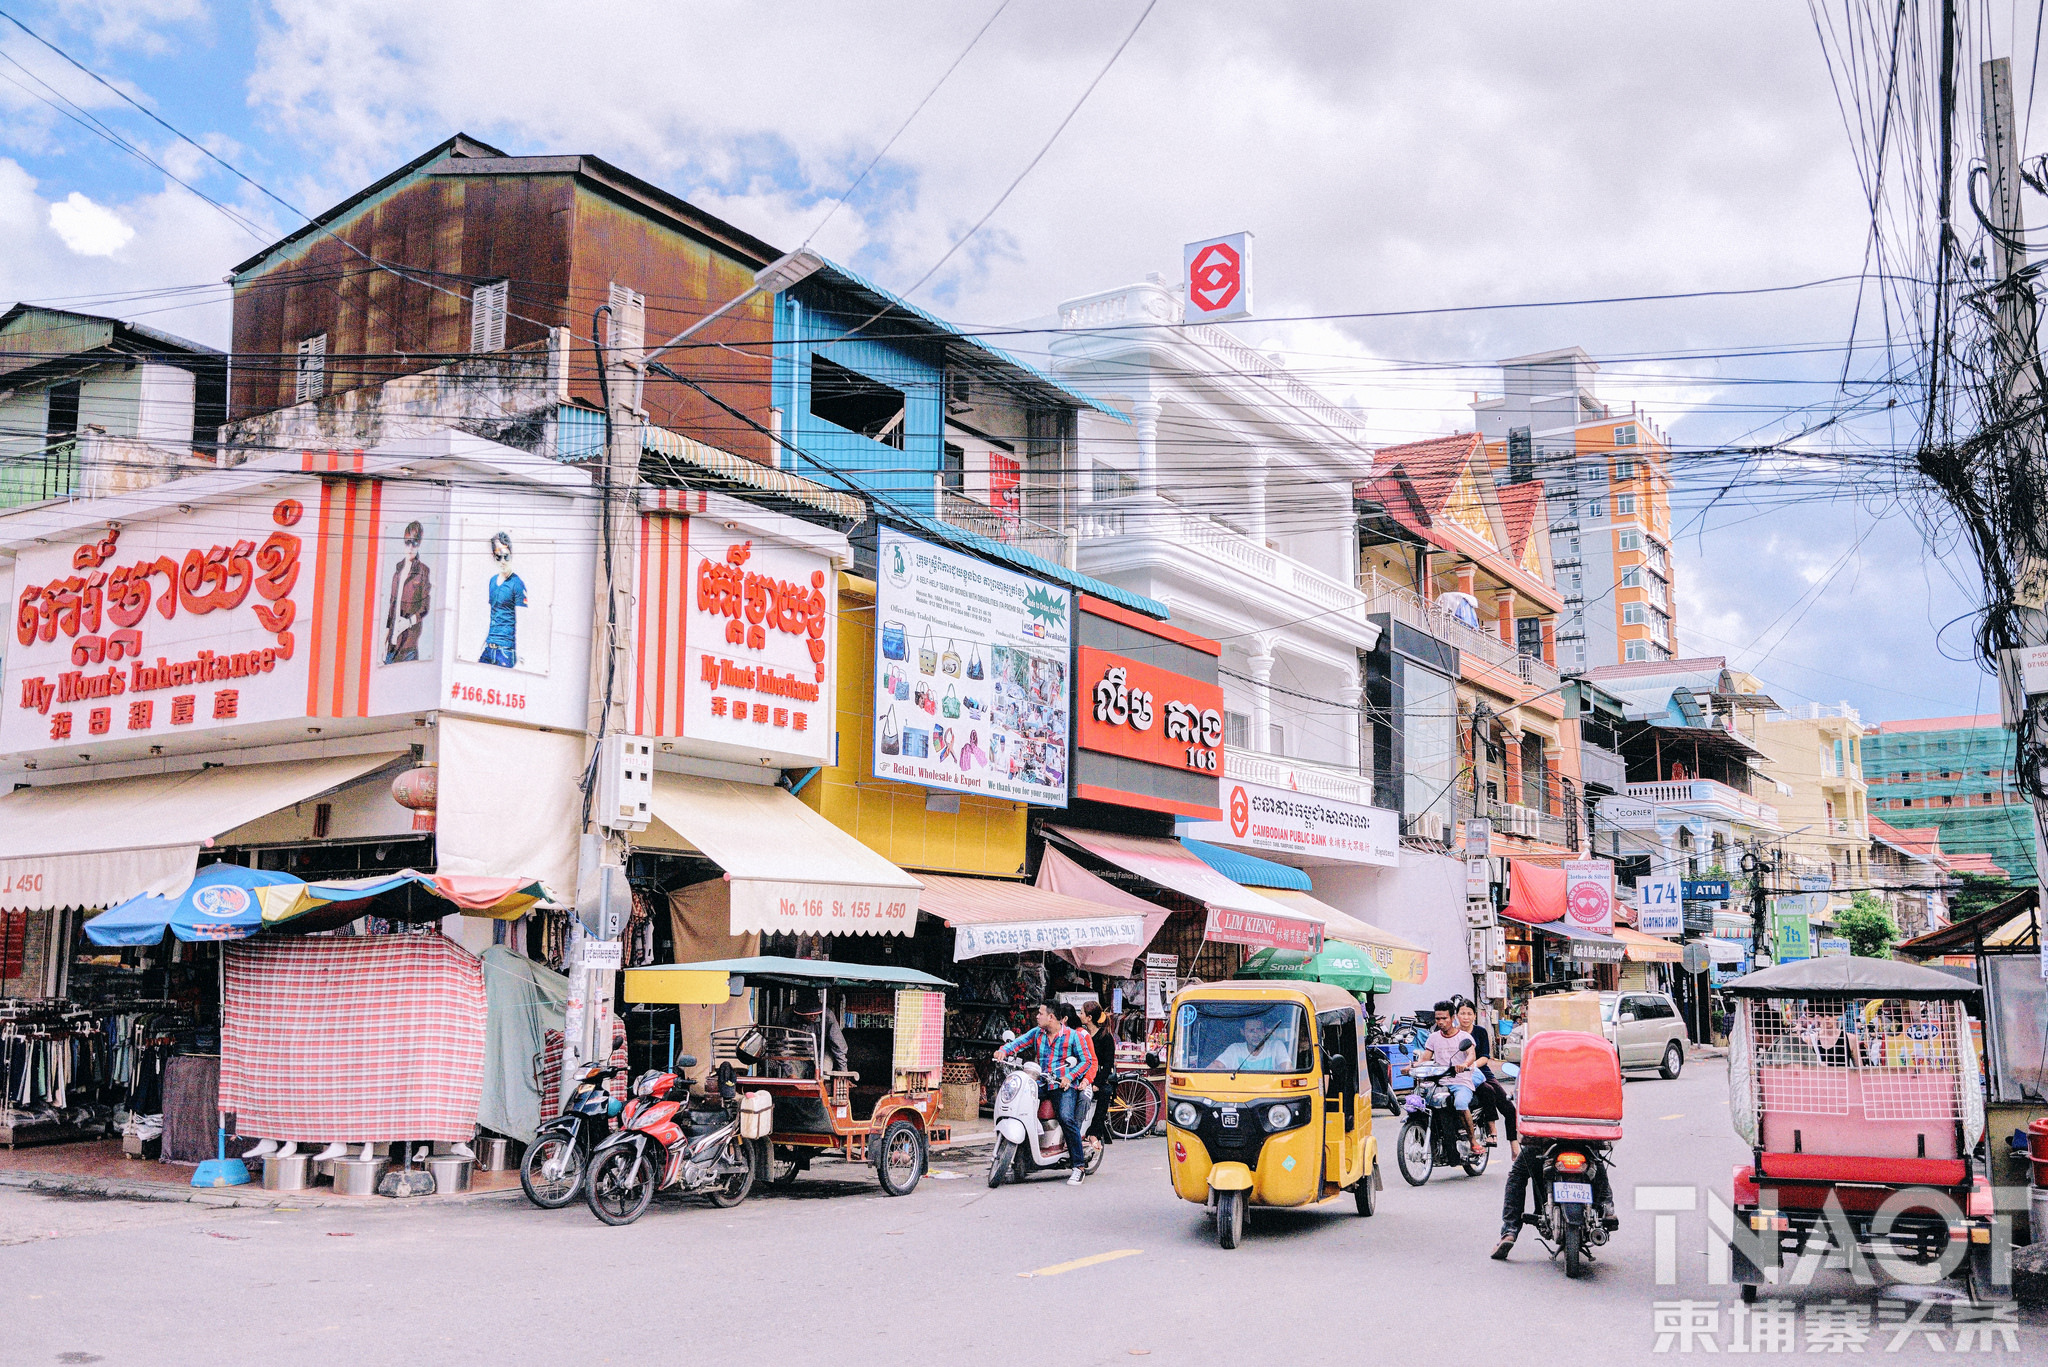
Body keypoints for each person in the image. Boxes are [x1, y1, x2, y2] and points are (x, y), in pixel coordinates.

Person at [995, 1003, 1092, 1184]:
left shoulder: (1073, 1036)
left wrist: (1069, 1077)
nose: (1037, 1016)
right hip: (1040, 1082)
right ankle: (1022, 1161)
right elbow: (1018, 1043)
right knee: (1020, 1108)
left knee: (1066, 1118)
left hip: (1062, 1085)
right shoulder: (1037, 1033)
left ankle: (1078, 1166)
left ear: (1051, 1017)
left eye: (1040, 1013)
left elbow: (1086, 1061)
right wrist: (1003, 1051)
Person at [1492, 1135, 1617, 1260]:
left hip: (1546, 1140)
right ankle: (1607, 1207)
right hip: (1584, 1139)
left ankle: (1510, 1231)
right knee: (1596, 1162)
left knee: (1517, 1174)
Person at [1416, 1000, 1481, 1152]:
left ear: (1453, 1018)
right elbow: (1425, 1058)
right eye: (1438, 1019)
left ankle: (1473, 1141)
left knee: (1460, 1104)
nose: (1440, 1022)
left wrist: (1464, 1065)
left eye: (1444, 1018)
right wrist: (1411, 1067)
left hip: (1461, 1081)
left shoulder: (1464, 1037)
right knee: (1419, 1104)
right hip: (1439, 1082)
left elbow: (1471, 1055)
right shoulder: (1433, 1037)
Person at [1459, 1001, 1517, 1147]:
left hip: (1482, 1073)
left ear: (1474, 1016)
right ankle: (1492, 1131)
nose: (1465, 1017)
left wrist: (1471, 1065)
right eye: (1462, 1013)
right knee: (1487, 1091)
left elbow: (1485, 1056)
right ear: (1456, 1015)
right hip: (1460, 1076)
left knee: (1509, 1108)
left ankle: (1514, 1144)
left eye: (1469, 1014)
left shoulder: (1480, 1032)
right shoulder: (1453, 1033)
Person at [383, 521, 431, 663]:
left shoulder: (422, 571)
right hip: (392, 646)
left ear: (419, 543)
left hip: (408, 645)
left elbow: (424, 607)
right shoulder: (397, 571)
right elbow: (392, 608)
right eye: (407, 542)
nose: (410, 547)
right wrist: (383, 641)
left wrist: (408, 622)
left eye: (414, 543)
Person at [478, 531, 526, 668]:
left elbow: (521, 621)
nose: (503, 561)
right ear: (493, 556)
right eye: (499, 557)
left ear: (511, 554)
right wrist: (481, 646)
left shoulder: (517, 584)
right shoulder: (492, 581)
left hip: (506, 651)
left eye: (506, 556)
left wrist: (520, 655)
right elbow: (491, 615)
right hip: (489, 648)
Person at [1082, 1000, 1119, 1147]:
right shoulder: (1082, 1034)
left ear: (1089, 1018)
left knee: (1105, 1092)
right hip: (1083, 1077)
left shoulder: (1106, 1037)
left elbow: (1108, 1064)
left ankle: (1093, 1132)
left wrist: (1097, 1083)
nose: (1080, 1016)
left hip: (1099, 1078)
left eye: (1082, 1013)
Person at [1213, 1010, 1296, 1071]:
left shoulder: (1276, 1046)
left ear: (1264, 1031)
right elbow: (1217, 1066)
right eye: (1251, 1031)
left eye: (1259, 1029)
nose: (1256, 1034)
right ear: (1243, 1032)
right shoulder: (1235, 1049)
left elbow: (1286, 1068)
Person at [792, 997, 849, 1074]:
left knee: (823, 1074)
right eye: (809, 1014)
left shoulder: (828, 1016)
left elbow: (838, 1045)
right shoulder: (787, 1017)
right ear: (800, 1013)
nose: (813, 1016)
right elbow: (782, 1047)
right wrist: (790, 1072)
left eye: (815, 1012)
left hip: (823, 1050)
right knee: (791, 1077)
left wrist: (843, 1072)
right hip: (798, 1051)